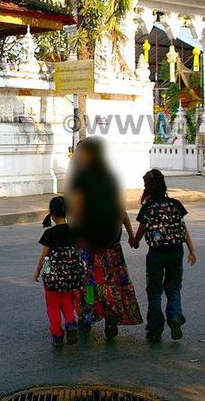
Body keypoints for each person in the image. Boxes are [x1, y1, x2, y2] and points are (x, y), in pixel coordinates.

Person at [66, 137, 143, 339]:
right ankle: (110, 315)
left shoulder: (81, 178)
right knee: (111, 282)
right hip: (111, 243)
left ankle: (88, 314)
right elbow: (121, 209)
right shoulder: (111, 177)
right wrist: (131, 234)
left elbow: (77, 210)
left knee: (88, 282)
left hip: (88, 243)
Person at [133, 168, 197, 343]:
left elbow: (140, 232)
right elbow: (184, 231)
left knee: (154, 291)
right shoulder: (175, 205)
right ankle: (175, 318)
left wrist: (135, 241)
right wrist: (192, 251)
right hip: (176, 251)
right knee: (174, 288)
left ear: (147, 187)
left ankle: (154, 329)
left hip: (156, 254)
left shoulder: (147, 208)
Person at [34, 196, 79, 347]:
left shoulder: (50, 233)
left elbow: (45, 256)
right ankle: (71, 323)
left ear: (52, 215)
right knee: (67, 301)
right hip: (69, 276)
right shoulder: (73, 231)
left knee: (52, 306)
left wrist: (39, 271)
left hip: (52, 277)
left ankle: (57, 335)